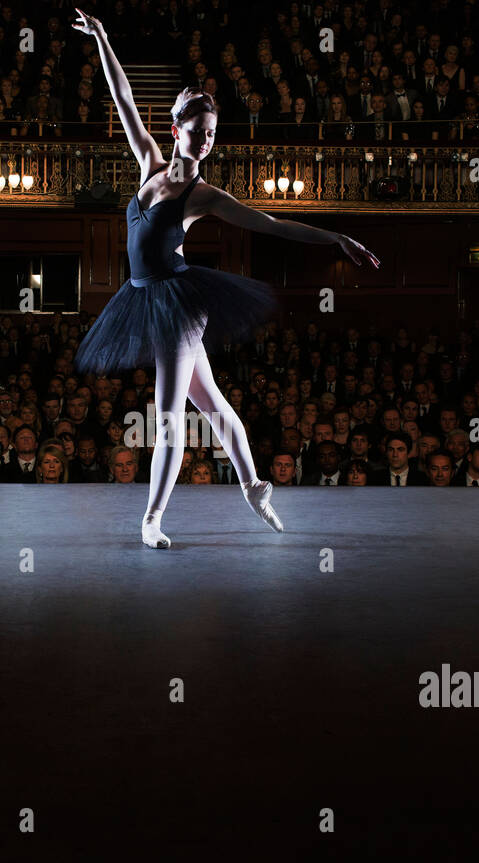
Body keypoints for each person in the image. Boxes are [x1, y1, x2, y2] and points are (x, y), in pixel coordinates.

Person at [70, 8, 379, 549]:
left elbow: (272, 223)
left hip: (179, 304)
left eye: (212, 134)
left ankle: (151, 520)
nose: (206, 142)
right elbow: (121, 98)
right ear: (175, 131)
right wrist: (102, 38)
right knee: (210, 404)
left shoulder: (204, 196)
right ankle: (255, 486)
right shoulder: (147, 162)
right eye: (197, 133)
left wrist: (334, 238)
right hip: (146, 297)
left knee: (168, 417)